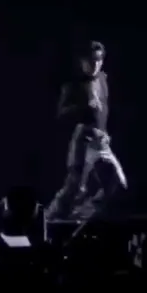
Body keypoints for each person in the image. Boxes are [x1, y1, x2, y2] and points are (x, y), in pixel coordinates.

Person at [45, 41, 127, 221]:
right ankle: (49, 217)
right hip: (84, 139)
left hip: (101, 141)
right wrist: (83, 107)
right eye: (91, 60)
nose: (95, 64)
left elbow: (104, 109)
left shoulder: (103, 80)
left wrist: (105, 131)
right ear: (82, 61)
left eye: (98, 60)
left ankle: (82, 214)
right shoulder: (73, 85)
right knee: (75, 185)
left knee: (117, 184)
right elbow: (61, 114)